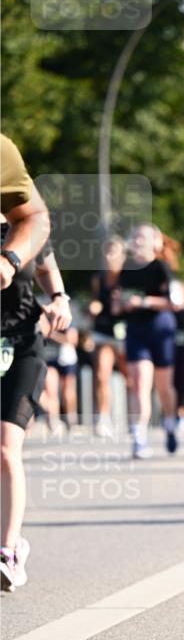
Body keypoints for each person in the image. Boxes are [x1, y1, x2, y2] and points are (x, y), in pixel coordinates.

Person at [1, 134, 67, 592]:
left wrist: (60, 298)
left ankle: (8, 547)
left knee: (6, 446)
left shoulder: (17, 227)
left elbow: (44, 256)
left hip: (22, 342)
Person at [114, 223, 179, 459]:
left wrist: (144, 302)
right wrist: (119, 304)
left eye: (143, 237)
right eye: (135, 237)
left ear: (155, 242)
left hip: (161, 328)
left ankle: (170, 423)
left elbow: (173, 302)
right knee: (140, 382)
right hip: (136, 329)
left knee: (164, 387)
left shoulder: (161, 267)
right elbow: (118, 303)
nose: (138, 241)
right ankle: (139, 438)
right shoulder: (125, 270)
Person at [88, 235, 126, 436]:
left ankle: (137, 418)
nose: (110, 256)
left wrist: (123, 305)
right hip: (104, 333)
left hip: (126, 333)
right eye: (107, 252)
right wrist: (94, 308)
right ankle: (103, 418)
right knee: (102, 374)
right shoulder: (99, 279)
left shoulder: (128, 278)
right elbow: (96, 302)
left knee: (132, 377)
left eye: (114, 252)